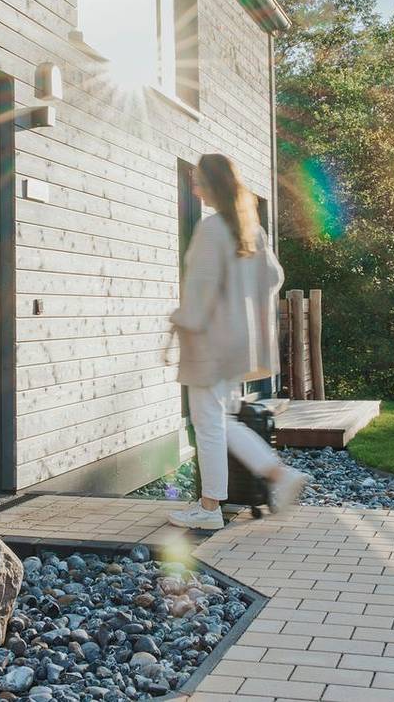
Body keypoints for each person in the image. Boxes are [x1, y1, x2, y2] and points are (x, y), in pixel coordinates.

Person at [166, 153, 309, 530]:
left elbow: (200, 289)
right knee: (221, 421)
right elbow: (274, 277)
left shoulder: (212, 229)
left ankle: (210, 508)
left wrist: (181, 319)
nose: (194, 186)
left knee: (208, 424)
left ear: (212, 184)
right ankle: (279, 475)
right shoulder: (251, 230)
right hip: (238, 343)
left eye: (198, 180)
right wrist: (243, 302)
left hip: (210, 341)